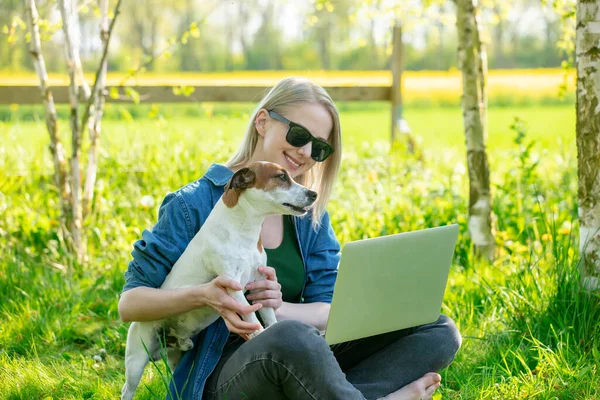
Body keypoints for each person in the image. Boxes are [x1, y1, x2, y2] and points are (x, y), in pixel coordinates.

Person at [118, 77, 462, 400]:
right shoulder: (192, 204)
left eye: (320, 148)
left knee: (437, 328)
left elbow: (328, 310)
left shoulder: (308, 215)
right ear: (263, 122)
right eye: (299, 135)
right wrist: (205, 296)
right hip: (219, 371)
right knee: (291, 338)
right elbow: (130, 304)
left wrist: (277, 308)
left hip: (303, 354)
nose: (306, 152)